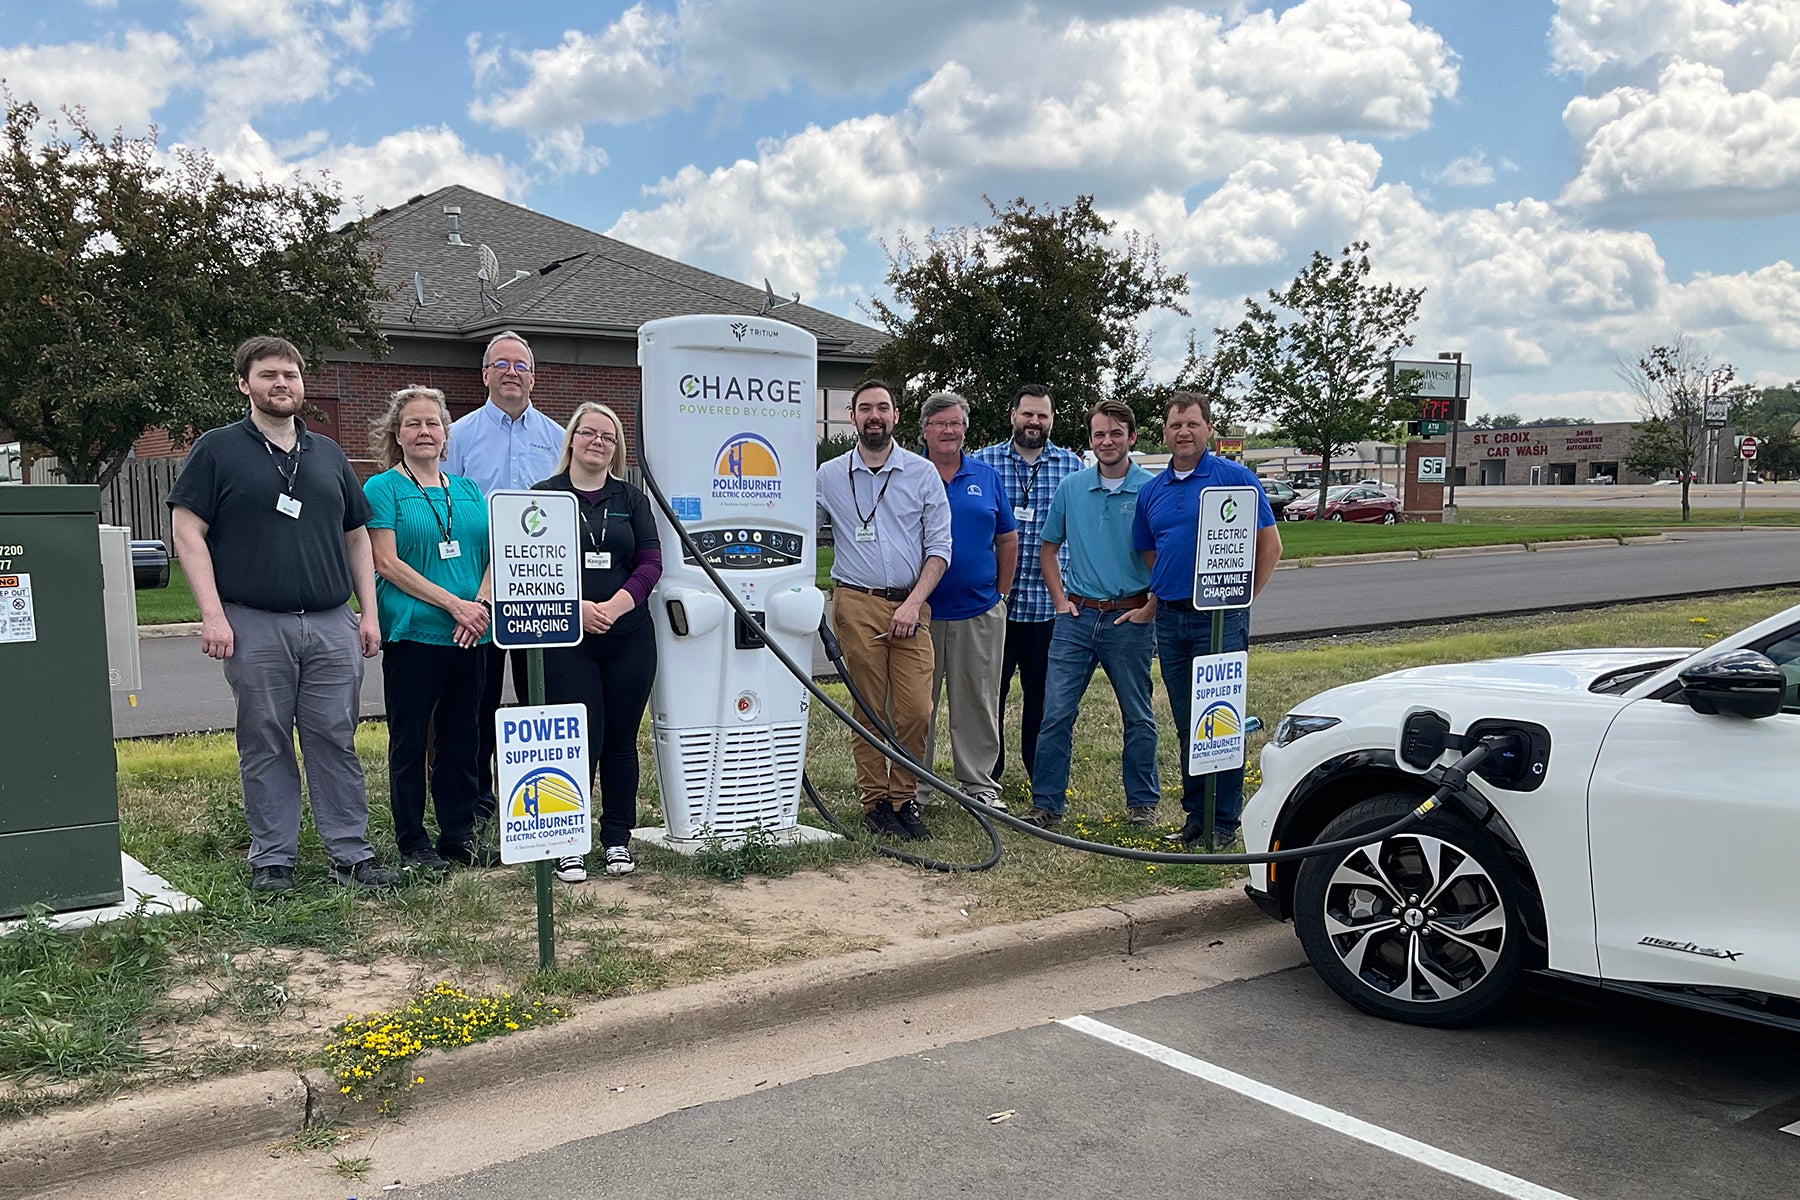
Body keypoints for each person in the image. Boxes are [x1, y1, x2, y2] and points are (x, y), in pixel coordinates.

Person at [167, 336, 398, 892]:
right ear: (245, 384)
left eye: (291, 375)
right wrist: (212, 614)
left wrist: (367, 613)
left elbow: (357, 537)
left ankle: (351, 855)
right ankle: (273, 859)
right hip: (253, 621)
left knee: (335, 738)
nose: (282, 384)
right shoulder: (218, 450)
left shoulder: (328, 454)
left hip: (329, 621)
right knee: (265, 739)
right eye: (269, 375)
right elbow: (187, 530)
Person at [1132, 391, 1282, 847]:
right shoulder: (1152, 490)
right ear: (1165, 432)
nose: (1183, 432)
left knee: (1220, 718)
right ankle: (1196, 814)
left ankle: (1222, 821)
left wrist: (1238, 597)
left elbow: (1270, 546)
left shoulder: (1234, 479)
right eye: (1176, 425)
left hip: (1218, 619)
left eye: (1193, 424)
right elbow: (1148, 551)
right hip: (1171, 620)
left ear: (1208, 429)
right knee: (1186, 721)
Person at [363, 385, 497, 873]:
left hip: (472, 633)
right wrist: (452, 605)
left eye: (433, 423)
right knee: (411, 738)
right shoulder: (383, 488)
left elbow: (493, 555)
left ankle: (458, 832)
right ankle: (413, 840)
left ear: (446, 435)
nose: (424, 431)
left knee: (464, 736)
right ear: (397, 434)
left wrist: (477, 605)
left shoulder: (467, 491)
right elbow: (385, 561)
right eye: (414, 423)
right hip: (415, 633)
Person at [815, 380, 952, 840]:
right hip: (857, 603)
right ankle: (875, 802)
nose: (874, 415)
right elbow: (798, 531)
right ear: (852, 417)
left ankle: (904, 796)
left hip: (911, 605)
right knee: (869, 708)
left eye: (883, 408)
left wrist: (914, 603)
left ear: (896, 416)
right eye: (865, 408)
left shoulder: (921, 473)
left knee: (915, 710)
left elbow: (940, 548)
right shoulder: (828, 476)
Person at [535, 403, 662, 882]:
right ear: (571, 440)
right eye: (589, 433)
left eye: (608, 437)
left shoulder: (631, 498)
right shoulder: (543, 497)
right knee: (572, 740)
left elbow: (650, 563)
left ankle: (616, 839)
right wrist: (577, 608)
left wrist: (614, 607)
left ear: (617, 448)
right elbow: (529, 568)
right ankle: (568, 840)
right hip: (567, 638)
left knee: (619, 741)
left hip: (628, 633)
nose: (597, 442)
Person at [443, 330, 564, 823]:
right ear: (485, 374)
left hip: (541, 585)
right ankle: (477, 800)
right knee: (478, 696)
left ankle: (541, 797)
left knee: (542, 695)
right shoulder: (460, 436)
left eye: (521, 365)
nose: (511, 372)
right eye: (501, 364)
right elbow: (443, 505)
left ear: (534, 377)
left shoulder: (558, 437)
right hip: (479, 588)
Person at [1021, 400, 1160, 828]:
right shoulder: (1072, 488)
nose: (1107, 441)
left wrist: (1150, 608)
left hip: (1129, 617)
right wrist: (1060, 601)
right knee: (1056, 712)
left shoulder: (1150, 489)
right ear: (1090, 439)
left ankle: (1142, 804)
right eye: (1099, 434)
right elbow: (1048, 548)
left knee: (1138, 715)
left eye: (1116, 433)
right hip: (1077, 617)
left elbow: (1168, 556)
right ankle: (1046, 805)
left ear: (1132, 438)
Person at [971, 385, 1082, 786]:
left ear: (1052, 420)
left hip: (1049, 605)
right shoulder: (981, 463)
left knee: (1044, 697)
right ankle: (987, 775)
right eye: (1028, 414)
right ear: (1012, 415)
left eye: (1042, 416)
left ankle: (1041, 773)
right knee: (989, 696)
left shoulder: (1073, 467)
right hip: (993, 603)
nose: (1034, 422)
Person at [914, 392, 1017, 811]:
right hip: (918, 612)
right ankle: (913, 788)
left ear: (965, 428)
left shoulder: (986, 477)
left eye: (955, 423)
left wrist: (1002, 593)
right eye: (939, 423)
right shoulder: (908, 474)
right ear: (924, 430)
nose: (948, 431)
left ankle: (978, 785)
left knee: (977, 701)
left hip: (979, 611)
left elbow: (1007, 537)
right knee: (916, 705)